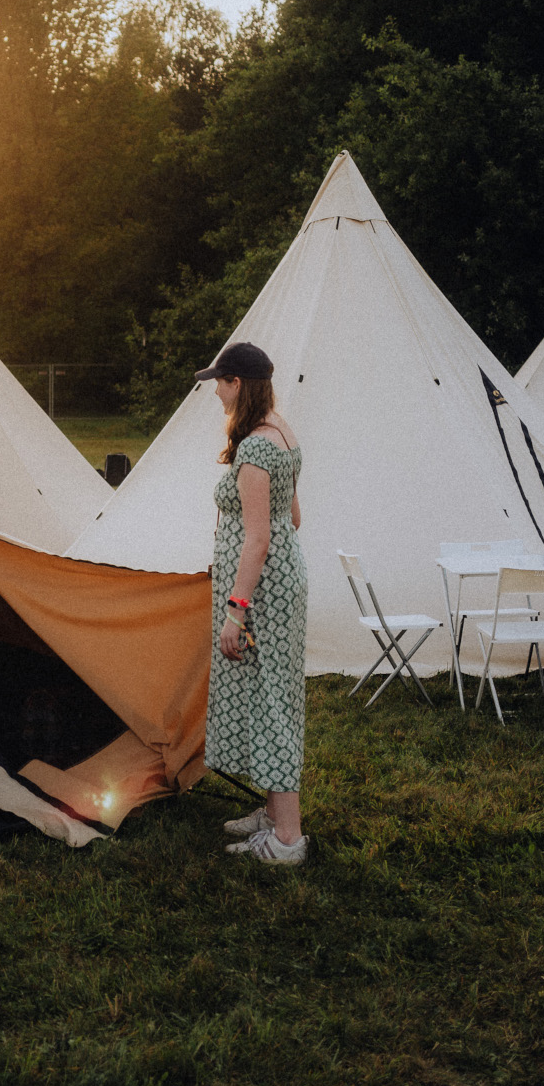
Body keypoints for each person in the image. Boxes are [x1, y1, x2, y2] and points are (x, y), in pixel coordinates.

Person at [195, 341, 310, 865]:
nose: (215, 392)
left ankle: (287, 840)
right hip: (283, 584)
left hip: (262, 594)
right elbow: (295, 518)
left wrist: (236, 611)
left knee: (270, 706)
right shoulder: (282, 432)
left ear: (237, 384)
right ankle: (274, 812)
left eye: (219, 382)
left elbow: (259, 538)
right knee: (273, 698)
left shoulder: (257, 449)